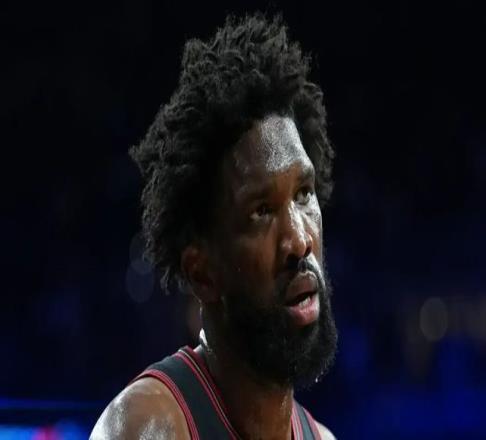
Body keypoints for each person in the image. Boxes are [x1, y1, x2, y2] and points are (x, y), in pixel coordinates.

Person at [91, 13, 338, 440]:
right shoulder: (148, 428)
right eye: (261, 211)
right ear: (202, 273)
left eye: (303, 194)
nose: (299, 240)